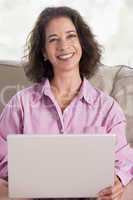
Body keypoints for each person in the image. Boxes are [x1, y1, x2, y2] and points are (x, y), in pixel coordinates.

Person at [0, 6, 133, 200]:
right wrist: (20, 176)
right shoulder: (20, 103)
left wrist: (119, 180)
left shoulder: (108, 108)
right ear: (44, 52)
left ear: (82, 43)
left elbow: (124, 159)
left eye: (71, 36)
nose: (64, 46)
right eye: (53, 39)